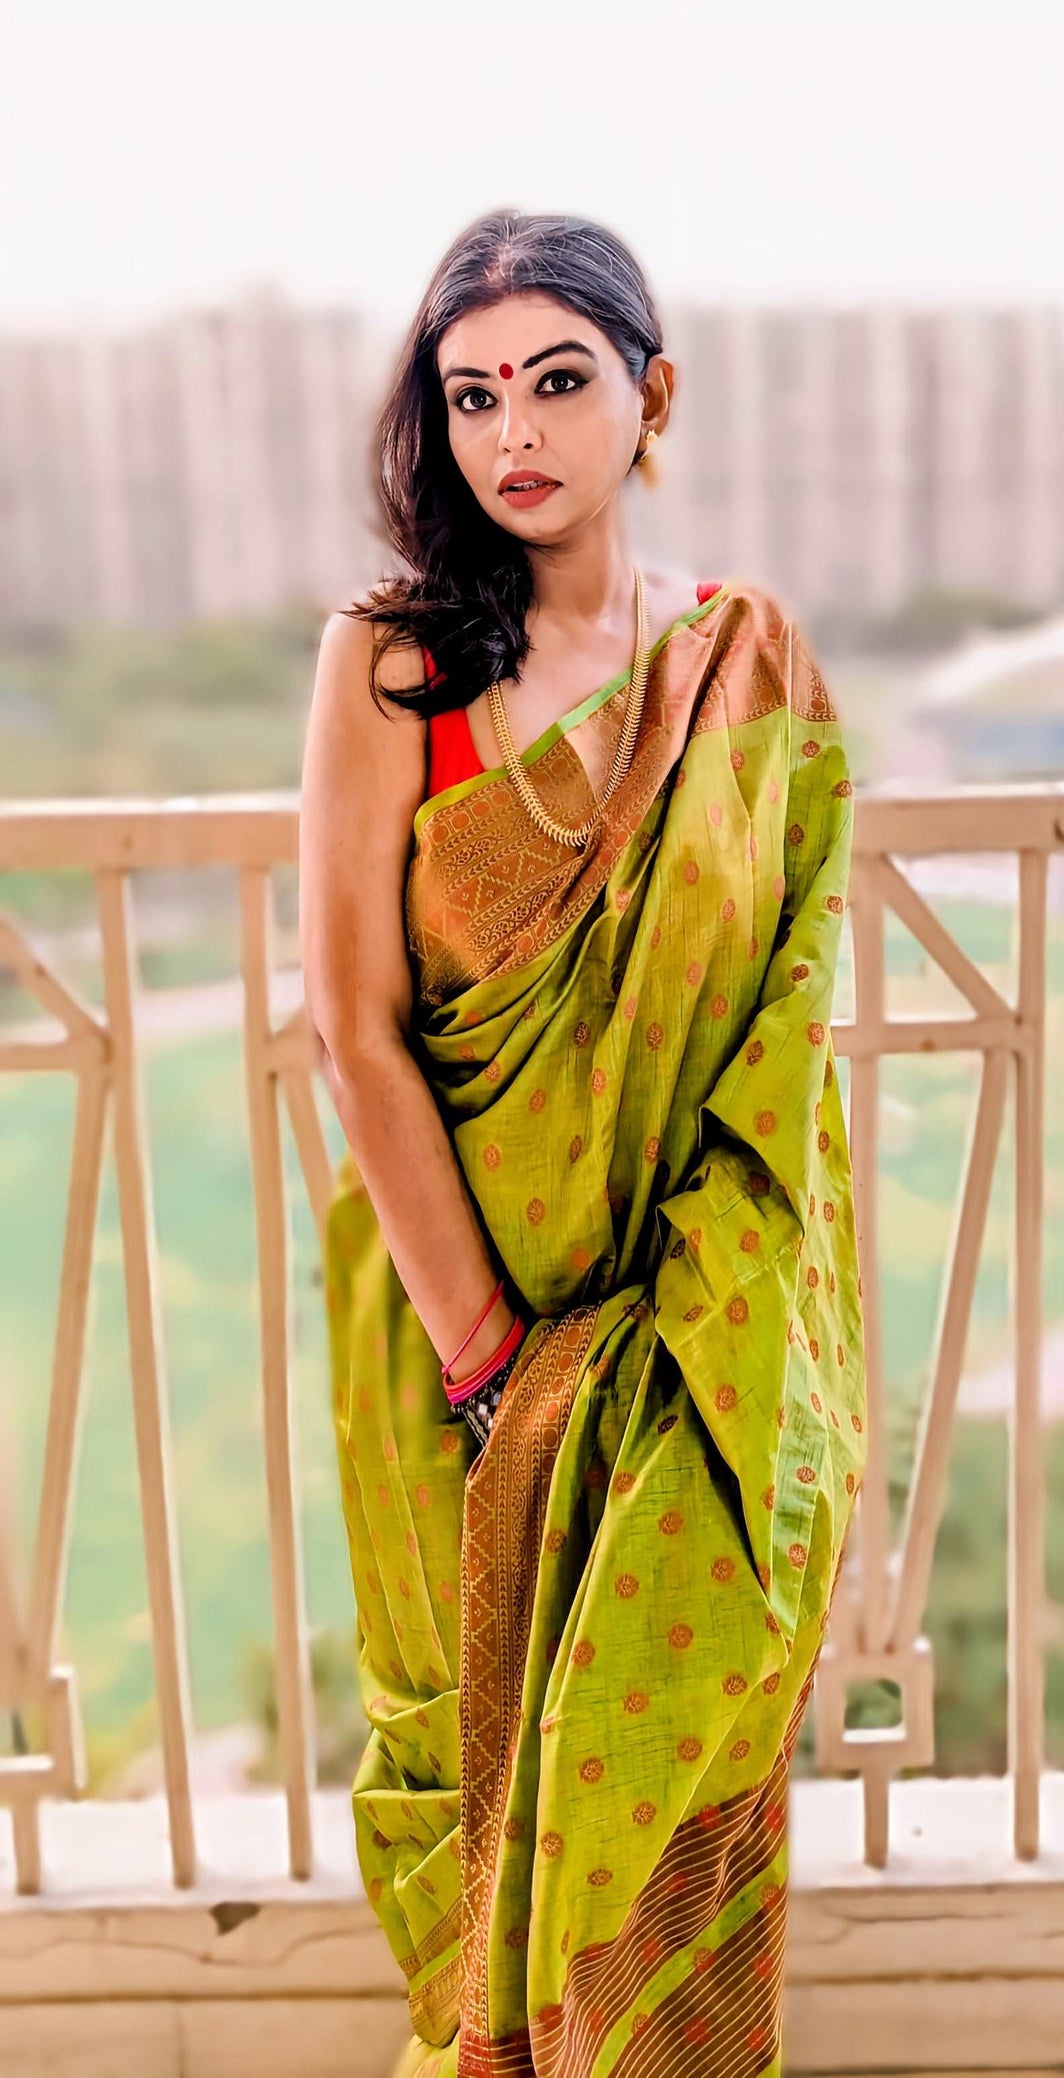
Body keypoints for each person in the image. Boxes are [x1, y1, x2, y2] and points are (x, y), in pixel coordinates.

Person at [299, 207, 866, 2078]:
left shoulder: (741, 669)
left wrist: (709, 1330)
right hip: (454, 1347)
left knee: (665, 1792)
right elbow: (359, 1033)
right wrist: (487, 1354)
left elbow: (775, 1036)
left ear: (652, 395)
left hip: (682, 1350)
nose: (512, 435)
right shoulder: (392, 666)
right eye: (470, 396)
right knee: (474, 1808)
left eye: (557, 381)